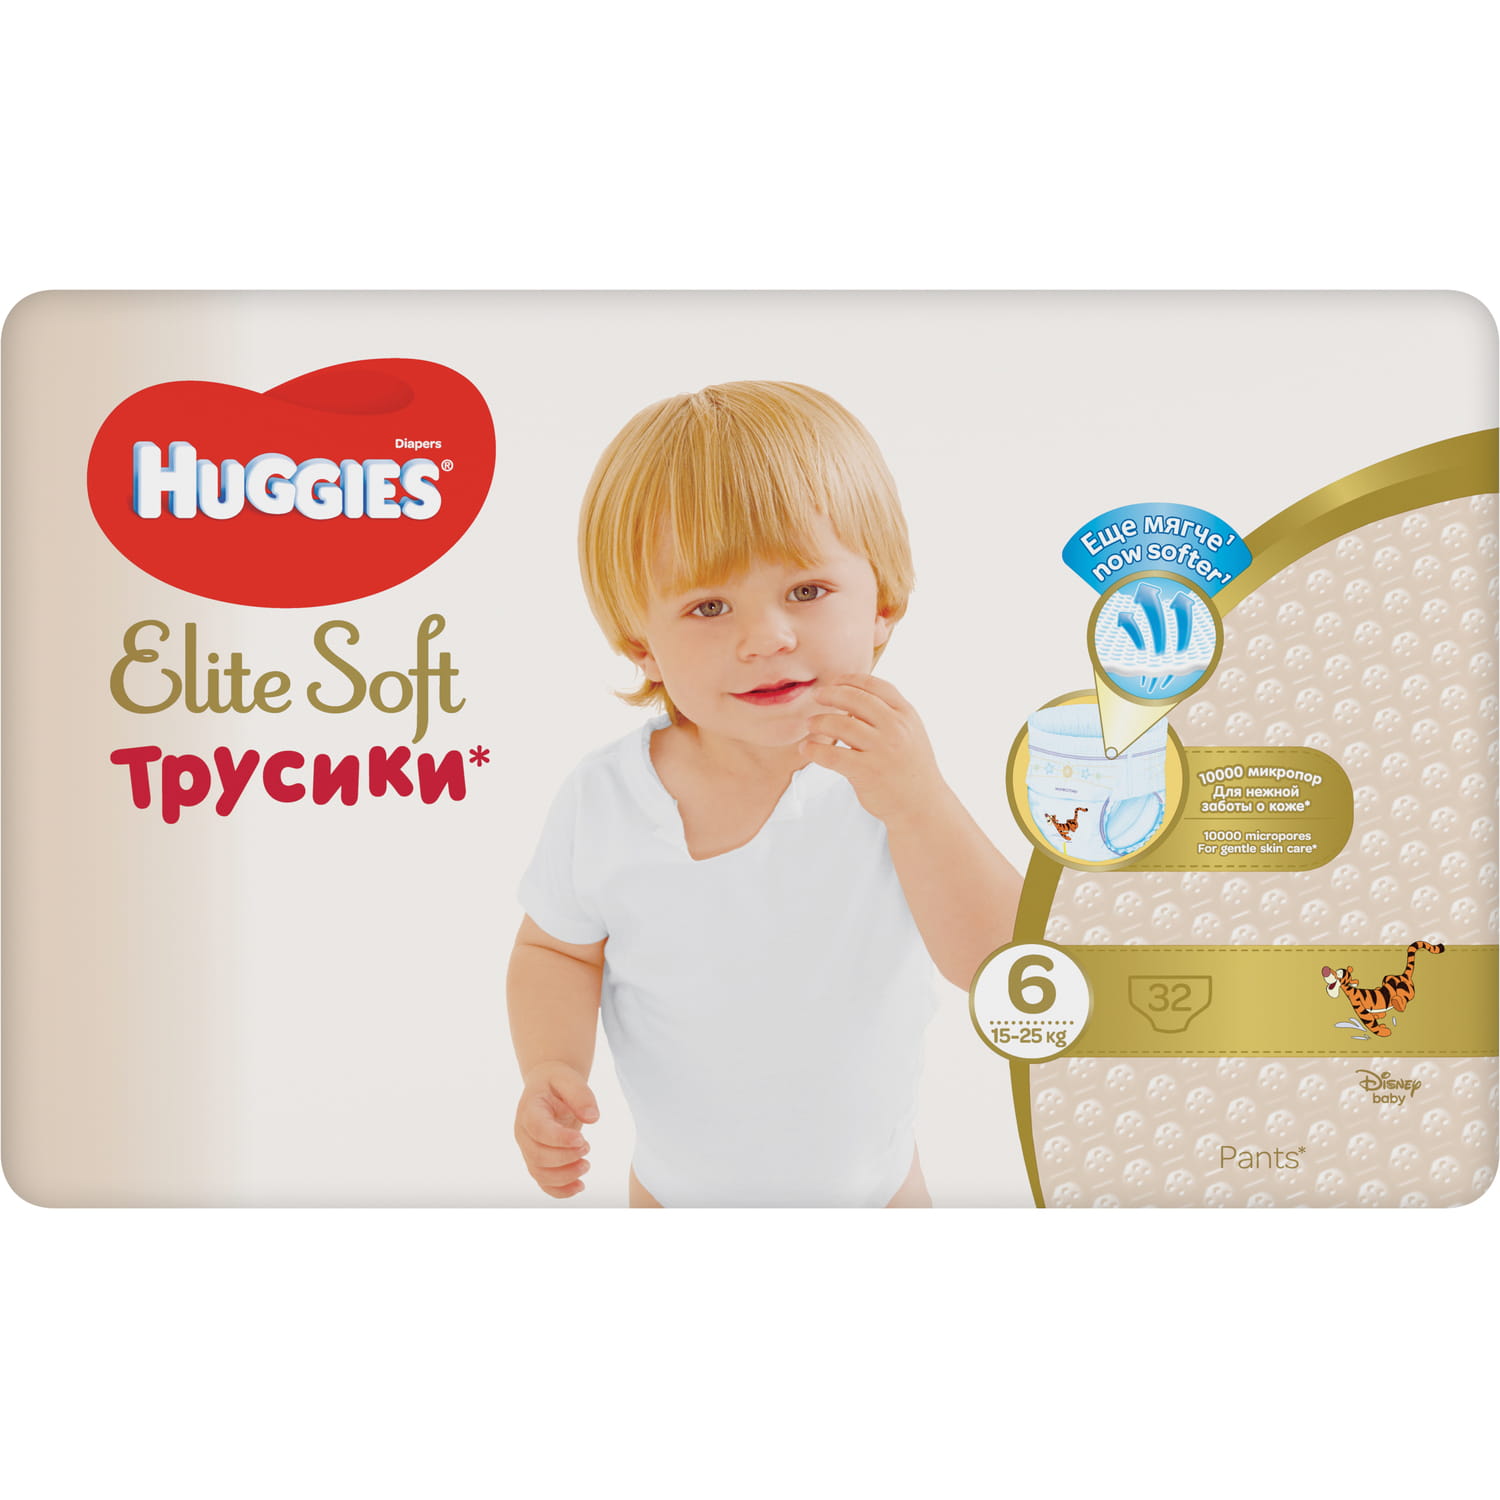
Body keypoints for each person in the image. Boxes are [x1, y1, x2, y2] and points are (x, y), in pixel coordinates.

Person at [508, 380, 1020, 1206]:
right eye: (709, 606)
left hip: (878, 1194)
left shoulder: (884, 779)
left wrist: (918, 803)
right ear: (642, 645)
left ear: (883, 604)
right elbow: (555, 951)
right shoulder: (605, 799)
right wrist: (550, 1069)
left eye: (806, 592)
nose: (766, 637)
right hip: (677, 1197)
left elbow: (1000, 963)